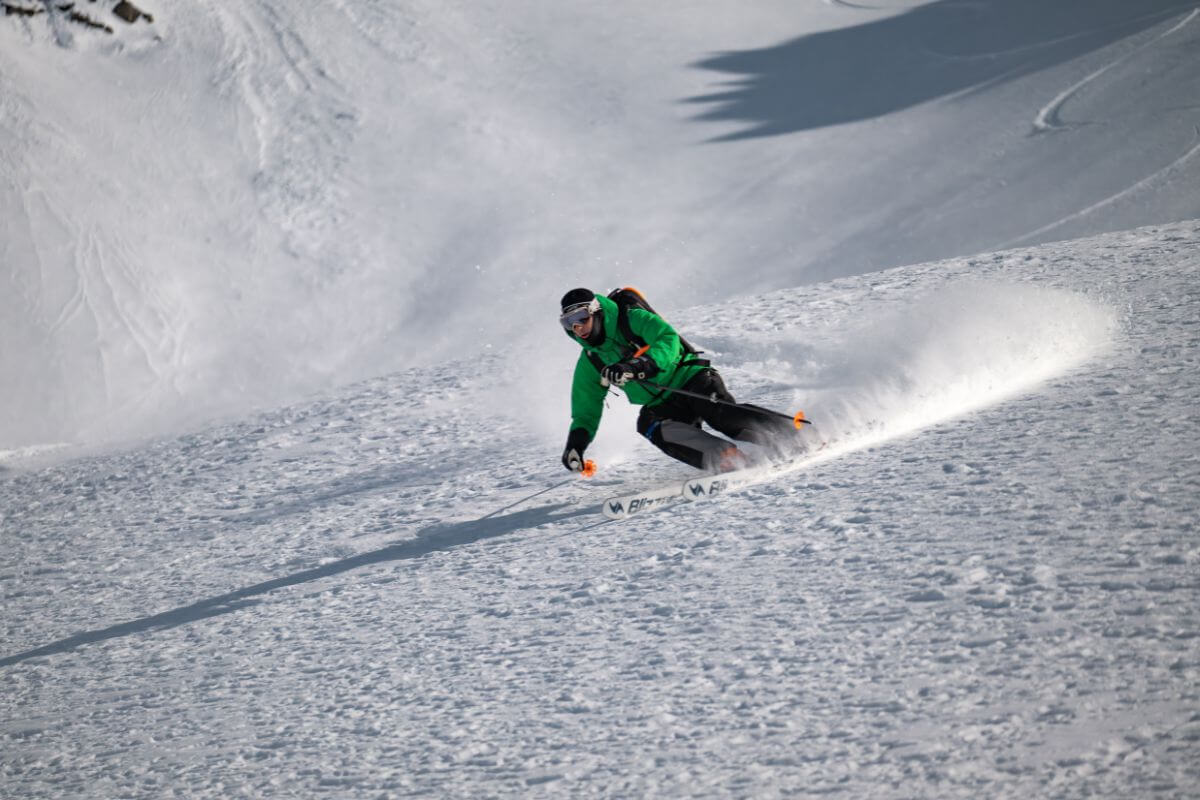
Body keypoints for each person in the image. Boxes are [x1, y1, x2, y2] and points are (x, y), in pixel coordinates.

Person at [558, 287, 799, 474]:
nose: (578, 327)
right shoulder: (590, 360)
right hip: (662, 401)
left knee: (718, 413)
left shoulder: (630, 319)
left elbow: (667, 339)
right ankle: (727, 460)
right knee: (651, 426)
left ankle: (795, 436)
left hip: (689, 377)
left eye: (581, 317)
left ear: (596, 311)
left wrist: (638, 365)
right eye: (569, 323)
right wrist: (575, 446)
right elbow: (585, 410)